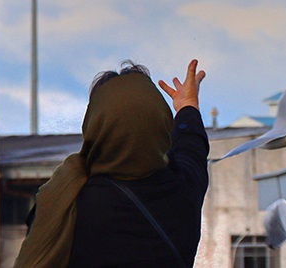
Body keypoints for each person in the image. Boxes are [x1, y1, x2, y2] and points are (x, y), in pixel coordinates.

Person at [14, 59, 209, 268]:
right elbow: (191, 146)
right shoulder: (184, 190)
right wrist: (188, 105)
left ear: (95, 124)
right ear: (161, 122)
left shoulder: (68, 203)